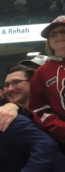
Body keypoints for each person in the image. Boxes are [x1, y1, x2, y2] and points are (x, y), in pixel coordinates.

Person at [29, 16, 65, 145]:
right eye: (53, 33)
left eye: (63, 31)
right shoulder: (42, 72)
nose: (59, 35)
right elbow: (38, 108)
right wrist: (60, 129)